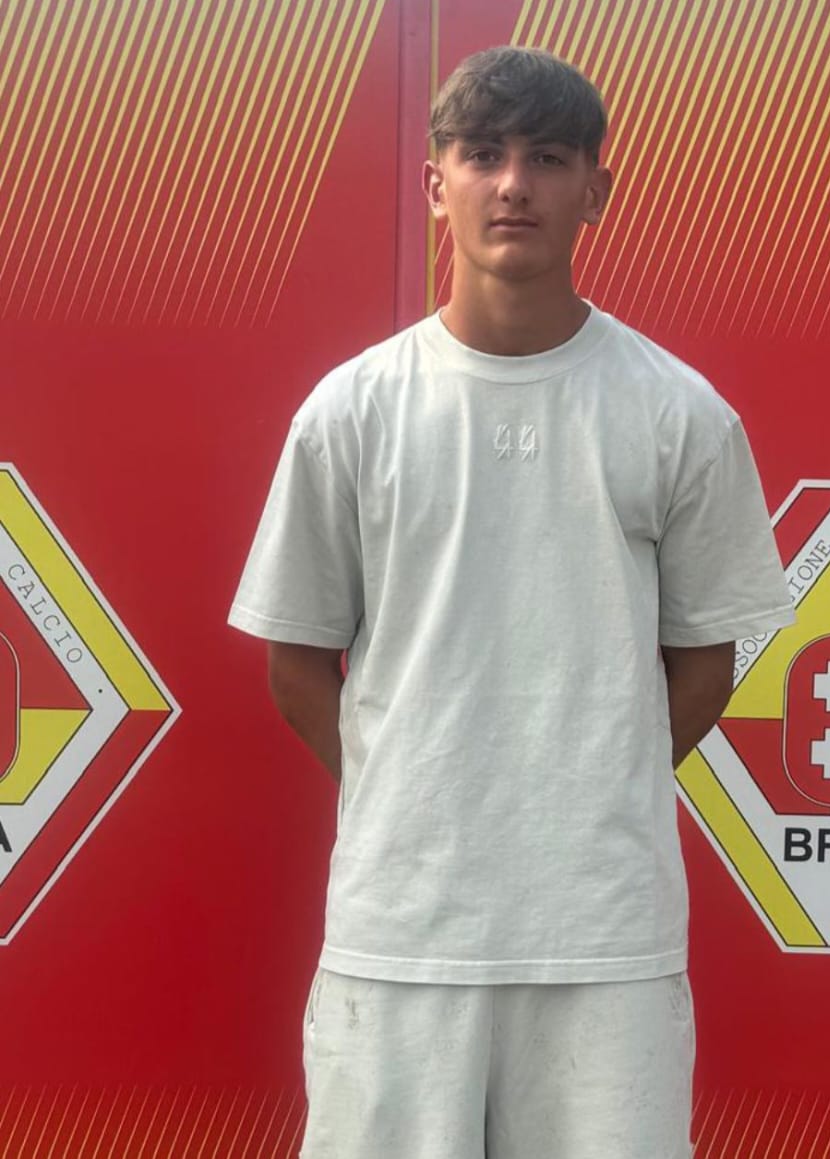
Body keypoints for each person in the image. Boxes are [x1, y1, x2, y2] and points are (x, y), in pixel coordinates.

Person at [229, 46, 794, 1159]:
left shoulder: (680, 414)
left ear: (596, 190)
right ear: (435, 182)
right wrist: (413, 792)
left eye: (547, 158)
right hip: (402, 931)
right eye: (482, 154)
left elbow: (704, 662)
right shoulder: (351, 413)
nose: (512, 185)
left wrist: (581, 793)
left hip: (606, 934)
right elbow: (297, 663)